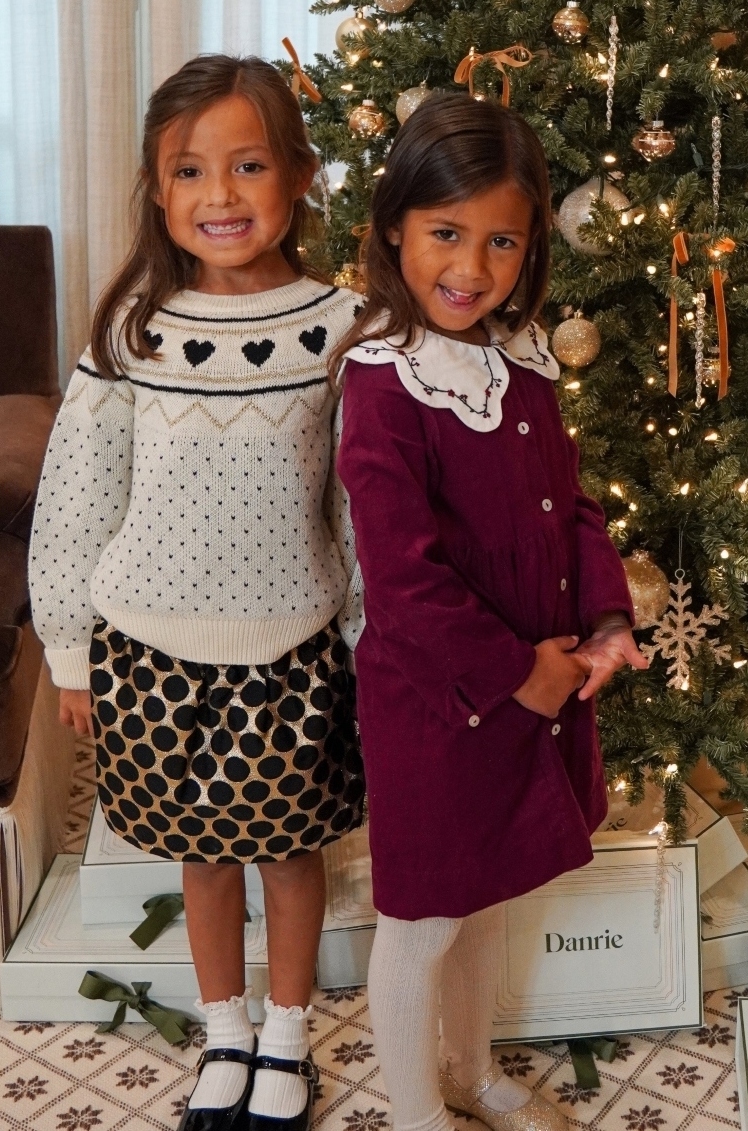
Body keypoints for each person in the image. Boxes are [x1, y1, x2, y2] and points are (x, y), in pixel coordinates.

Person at [29, 55, 364, 1131]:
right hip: (150, 653)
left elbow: (359, 504)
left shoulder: (343, 328)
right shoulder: (132, 329)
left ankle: (285, 1036)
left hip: (294, 649)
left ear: (300, 175)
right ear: (157, 190)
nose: (218, 196)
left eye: (247, 165)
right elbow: (77, 499)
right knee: (203, 856)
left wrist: (366, 637)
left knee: (287, 850)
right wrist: (70, 652)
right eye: (188, 172)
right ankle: (224, 1029)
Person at [332, 93, 647, 1131]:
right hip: (440, 707)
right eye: (443, 234)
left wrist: (602, 618)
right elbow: (405, 581)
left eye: (499, 240)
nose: (469, 267)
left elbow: (572, 507)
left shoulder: (524, 368)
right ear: (393, 229)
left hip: (537, 690)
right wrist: (523, 670)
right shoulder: (381, 386)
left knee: (483, 909)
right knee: (423, 921)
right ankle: (418, 1112)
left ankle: (469, 1073)